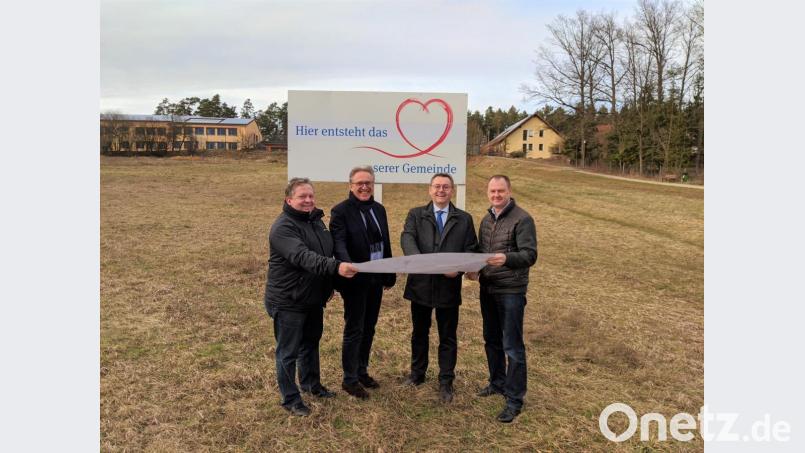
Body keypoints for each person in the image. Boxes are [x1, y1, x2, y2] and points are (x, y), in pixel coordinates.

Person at [263, 177, 358, 416]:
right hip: (289, 299)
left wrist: (329, 286)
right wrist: (337, 267)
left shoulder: (316, 221)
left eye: (311, 196)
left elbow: (326, 251)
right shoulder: (283, 228)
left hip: (313, 297)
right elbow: (303, 257)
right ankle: (291, 399)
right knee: (288, 352)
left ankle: (311, 385)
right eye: (302, 197)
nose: (308, 200)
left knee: (310, 343)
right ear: (289, 200)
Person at [400, 173, 478, 403]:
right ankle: (417, 374)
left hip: (448, 287)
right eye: (437, 186)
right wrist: (420, 262)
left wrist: (459, 269)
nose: (441, 190)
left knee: (448, 336)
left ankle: (446, 381)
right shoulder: (416, 215)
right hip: (421, 285)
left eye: (445, 187)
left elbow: (471, 249)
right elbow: (407, 239)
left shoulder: (464, 219)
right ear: (430, 189)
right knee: (419, 333)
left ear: (452, 190)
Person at [472, 174, 538, 423]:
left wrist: (507, 258)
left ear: (509, 191)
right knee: (491, 340)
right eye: (492, 191)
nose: (496, 195)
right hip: (488, 288)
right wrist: (474, 269)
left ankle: (514, 399)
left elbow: (530, 255)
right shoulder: (486, 219)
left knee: (512, 346)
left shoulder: (522, 219)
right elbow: (482, 253)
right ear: (487, 193)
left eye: (501, 191)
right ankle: (497, 383)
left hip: (511, 291)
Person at [330, 166, 396, 399]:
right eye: (359, 183)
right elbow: (339, 243)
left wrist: (389, 272)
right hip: (355, 279)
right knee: (355, 328)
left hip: (375, 279)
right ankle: (349, 379)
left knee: (369, 327)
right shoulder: (340, 211)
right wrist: (348, 264)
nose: (364, 187)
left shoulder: (379, 209)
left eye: (368, 182)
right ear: (351, 185)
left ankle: (362, 371)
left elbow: (385, 242)